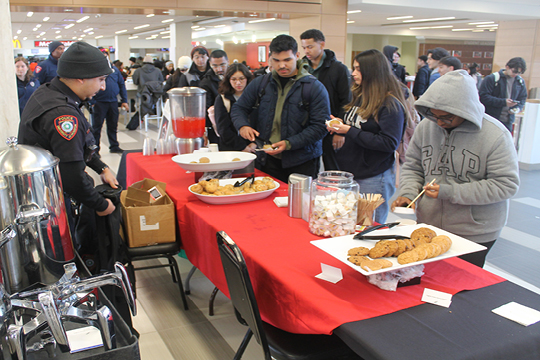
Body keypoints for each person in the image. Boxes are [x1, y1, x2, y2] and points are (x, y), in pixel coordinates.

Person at [392, 70, 519, 267]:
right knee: (429, 281)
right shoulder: (427, 127)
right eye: (434, 115)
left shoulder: (496, 135)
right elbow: (414, 165)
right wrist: (408, 193)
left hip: (475, 231)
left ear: (465, 111)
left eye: (447, 118)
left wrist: (449, 192)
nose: (440, 122)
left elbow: (505, 185)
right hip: (429, 224)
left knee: (464, 288)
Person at [18, 41, 119, 223]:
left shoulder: (49, 91)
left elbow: (79, 146)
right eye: (101, 80)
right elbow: (71, 176)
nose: (103, 87)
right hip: (50, 202)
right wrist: (102, 206)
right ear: (81, 77)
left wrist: (101, 167)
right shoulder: (63, 114)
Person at [231, 34, 330, 183]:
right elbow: (239, 108)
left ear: (297, 56)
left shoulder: (314, 87)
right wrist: (243, 125)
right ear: (270, 58)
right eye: (276, 60)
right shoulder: (261, 83)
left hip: (302, 161)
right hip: (267, 160)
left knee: (299, 204)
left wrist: (289, 143)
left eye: (287, 60)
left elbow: (320, 126)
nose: (281, 65)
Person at [326, 49, 406, 224]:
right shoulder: (360, 95)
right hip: (352, 172)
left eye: (358, 69)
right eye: (353, 68)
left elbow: (388, 142)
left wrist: (348, 130)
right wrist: (340, 125)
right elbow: (358, 126)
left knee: (369, 226)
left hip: (373, 175)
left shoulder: (390, 104)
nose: (353, 74)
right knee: (348, 222)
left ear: (373, 72)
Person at [300, 29, 351, 171]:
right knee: (309, 170)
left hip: (330, 127)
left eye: (310, 47)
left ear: (321, 45)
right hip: (308, 128)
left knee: (332, 169)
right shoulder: (301, 68)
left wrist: (339, 131)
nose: (307, 51)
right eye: (304, 47)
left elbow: (346, 101)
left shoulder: (338, 69)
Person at [90, 48, 129, 155]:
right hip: (99, 102)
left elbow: (121, 84)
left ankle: (114, 146)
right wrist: (92, 100)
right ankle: (95, 149)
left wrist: (124, 100)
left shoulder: (115, 70)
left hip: (113, 101)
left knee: (113, 125)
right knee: (97, 127)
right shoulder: (94, 69)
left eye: (105, 54)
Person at [213, 63, 256, 152]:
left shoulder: (255, 97)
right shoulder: (222, 98)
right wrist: (242, 147)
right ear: (228, 80)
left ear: (247, 79)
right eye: (234, 79)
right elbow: (223, 129)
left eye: (241, 79)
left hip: (253, 146)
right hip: (230, 148)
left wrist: (255, 143)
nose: (238, 83)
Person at [479, 57, 527, 132]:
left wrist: (517, 108)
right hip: (491, 119)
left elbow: (522, 98)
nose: (516, 74)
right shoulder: (492, 78)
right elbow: (483, 97)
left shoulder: (520, 82)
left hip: (508, 121)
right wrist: (504, 102)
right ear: (507, 67)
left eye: (519, 73)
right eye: (514, 71)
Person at [199, 50, 229, 144]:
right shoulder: (206, 82)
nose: (219, 69)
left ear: (228, 62)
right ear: (210, 64)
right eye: (215, 66)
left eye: (222, 65)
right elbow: (204, 107)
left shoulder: (234, 76)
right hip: (216, 124)